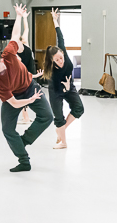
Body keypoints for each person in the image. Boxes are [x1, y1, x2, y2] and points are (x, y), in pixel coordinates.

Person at [0, 4, 53, 172]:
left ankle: (24, 142)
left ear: (0, 60)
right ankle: (24, 161)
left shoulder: (8, 54)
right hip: (14, 96)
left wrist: (19, 16)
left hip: (30, 87)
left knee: (47, 116)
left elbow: (15, 35)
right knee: (7, 129)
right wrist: (28, 101)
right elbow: (14, 103)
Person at [43, 8, 84, 149]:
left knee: (79, 109)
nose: (60, 61)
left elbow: (60, 35)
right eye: (57, 60)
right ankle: (63, 142)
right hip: (56, 90)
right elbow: (59, 87)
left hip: (69, 86)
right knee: (58, 117)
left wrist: (55, 19)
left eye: (61, 57)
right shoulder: (52, 73)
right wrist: (65, 87)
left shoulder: (63, 53)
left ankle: (62, 129)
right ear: (52, 60)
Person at [16, 9, 43, 124]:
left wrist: (25, 17)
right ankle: (25, 116)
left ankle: (25, 115)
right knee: (24, 94)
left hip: (30, 72)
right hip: (24, 74)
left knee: (30, 93)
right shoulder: (16, 52)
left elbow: (26, 29)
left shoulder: (25, 43)